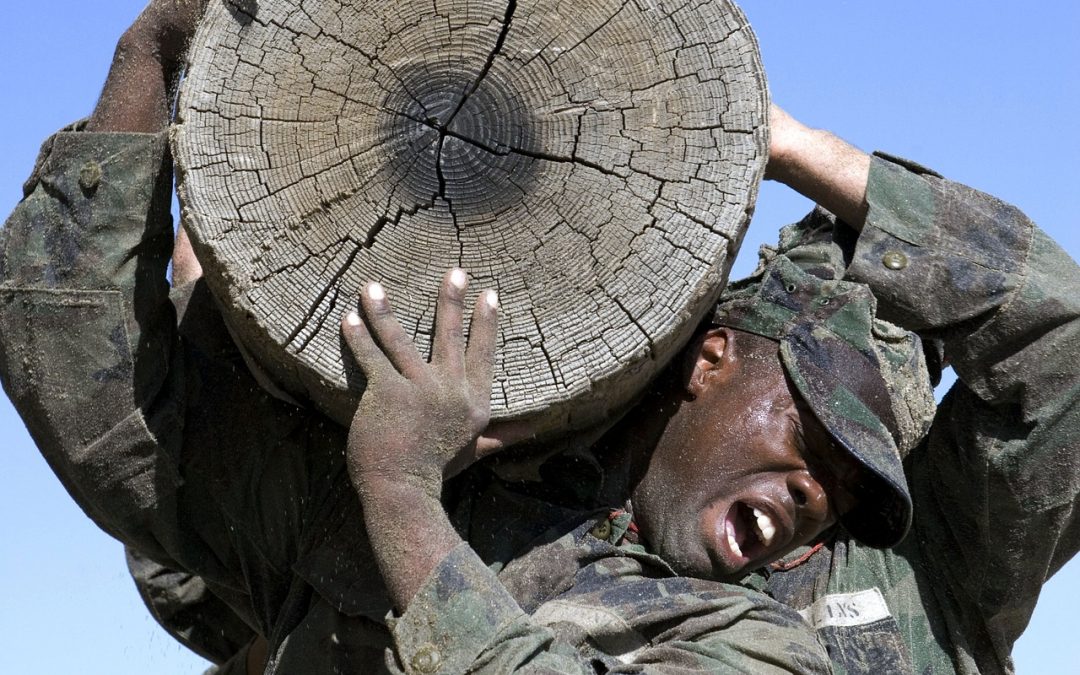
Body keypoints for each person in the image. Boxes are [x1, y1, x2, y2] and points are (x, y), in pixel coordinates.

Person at [3, 2, 1077, 674]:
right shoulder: (451, 497)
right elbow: (101, 405)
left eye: (850, 489)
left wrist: (403, 501)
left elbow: (1061, 342)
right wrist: (152, 48)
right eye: (817, 434)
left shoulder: (894, 591)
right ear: (710, 357)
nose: (818, 496)